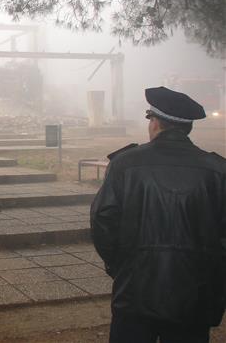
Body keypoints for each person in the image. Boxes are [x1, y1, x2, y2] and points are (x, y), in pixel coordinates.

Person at [91, 86, 226, 343]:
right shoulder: (218, 170)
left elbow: (103, 220)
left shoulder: (125, 163)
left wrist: (121, 266)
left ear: (155, 123)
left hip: (135, 290)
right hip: (194, 295)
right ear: (188, 127)